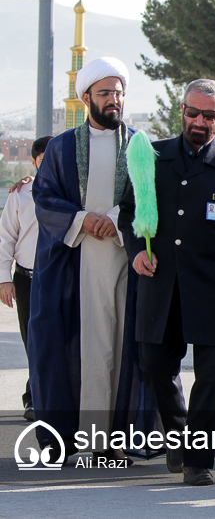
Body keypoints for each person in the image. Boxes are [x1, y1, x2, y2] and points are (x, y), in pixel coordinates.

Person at [122, 79, 215, 486]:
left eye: (209, 115)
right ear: (181, 110)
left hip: (214, 292)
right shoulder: (152, 156)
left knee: (211, 376)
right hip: (160, 285)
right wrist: (135, 251)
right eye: (192, 113)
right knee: (154, 368)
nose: (199, 121)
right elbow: (130, 210)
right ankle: (179, 438)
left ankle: (198, 460)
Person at [29, 57, 145, 460]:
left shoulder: (138, 147)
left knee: (122, 348)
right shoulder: (61, 147)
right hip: (74, 264)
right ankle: (83, 440)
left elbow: (147, 199)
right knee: (86, 349)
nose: (113, 99)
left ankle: (119, 439)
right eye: (105, 93)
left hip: (123, 260)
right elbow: (43, 199)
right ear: (86, 98)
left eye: (118, 92)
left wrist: (114, 219)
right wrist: (83, 220)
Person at [0, 135, 51, 422]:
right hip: (27, 279)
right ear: (33, 162)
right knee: (32, 341)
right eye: (42, 160)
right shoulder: (20, 194)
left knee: (58, 340)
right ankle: (33, 399)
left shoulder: (76, 191)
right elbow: (5, 239)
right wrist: (3, 279)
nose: (48, 165)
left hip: (60, 277)